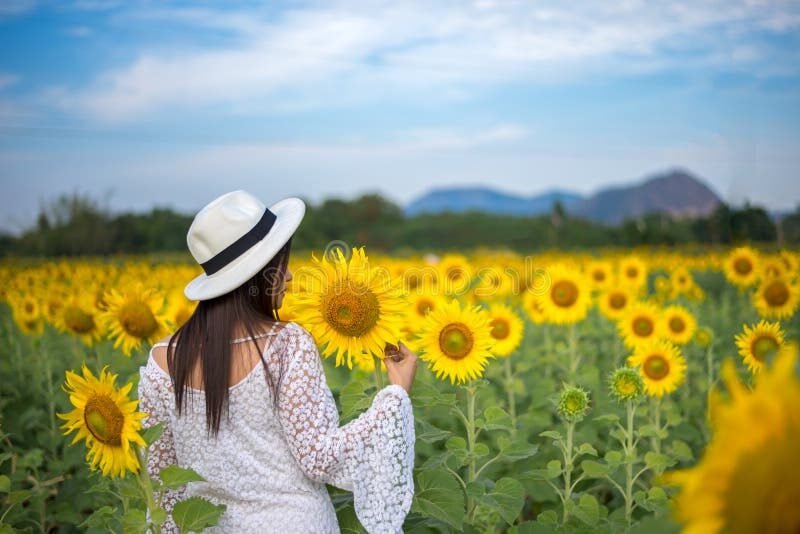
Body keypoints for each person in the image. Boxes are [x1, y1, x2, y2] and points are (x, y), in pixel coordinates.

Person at [137, 190, 418, 533]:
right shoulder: (287, 345)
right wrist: (395, 394)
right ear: (256, 274)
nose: (288, 276)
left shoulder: (160, 363)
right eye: (279, 265)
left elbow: (163, 480)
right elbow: (319, 458)